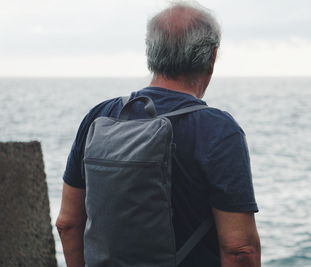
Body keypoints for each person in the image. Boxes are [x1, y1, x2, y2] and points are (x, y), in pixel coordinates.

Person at [56, 2, 260, 267]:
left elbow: (68, 224)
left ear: (150, 52)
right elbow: (239, 248)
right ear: (212, 56)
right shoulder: (216, 129)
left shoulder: (100, 116)